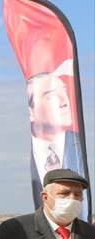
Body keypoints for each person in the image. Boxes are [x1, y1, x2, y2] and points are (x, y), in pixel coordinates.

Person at [27, 73, 85, 204]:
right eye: (52, 96)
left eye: (65, 92)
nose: (65, 102)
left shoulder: (81, 147)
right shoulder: (15, 153)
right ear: (31, 112)